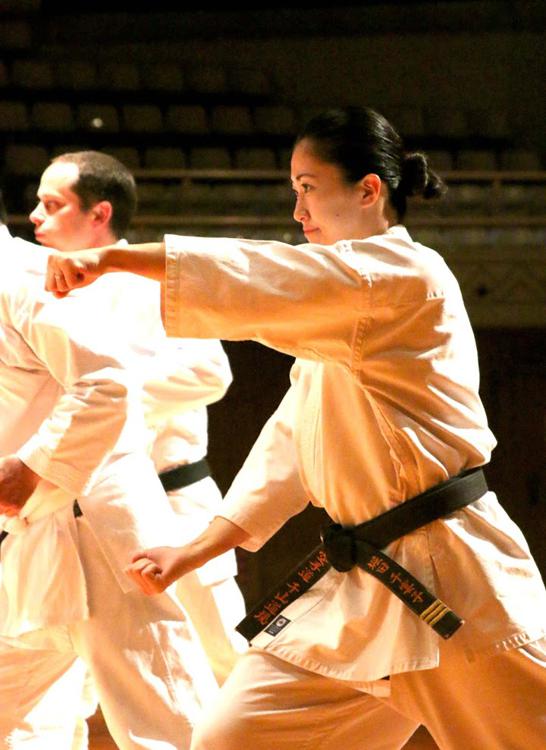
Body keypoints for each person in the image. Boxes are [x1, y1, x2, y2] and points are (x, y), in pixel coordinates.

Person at [46, 107, 546, 749]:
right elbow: (291, 446)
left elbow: (265, 275)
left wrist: (119, 258)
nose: (298, 209)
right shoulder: (338, 326)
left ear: (368, 190)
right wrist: (195, 549)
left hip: (455, 583)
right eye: (295, 191)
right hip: (358, 596)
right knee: (231, 741)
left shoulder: (405, 279)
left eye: (309, 187)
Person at [0, 188, 218, 750]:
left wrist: (31, 467)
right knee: (23, 723)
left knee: (166, 724)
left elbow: (107, 382)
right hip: (31, 536)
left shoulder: (25, 277)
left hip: (102, 525)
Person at [30, 151, 247, 689]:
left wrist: (96, 399)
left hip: (172, 500)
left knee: (223, 658)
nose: (35, 215)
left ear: (99, 214)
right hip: (83, 514)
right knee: (74, 678)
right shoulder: (33, 290)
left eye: (52, 204)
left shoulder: (152, 284)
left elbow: (209, 373)